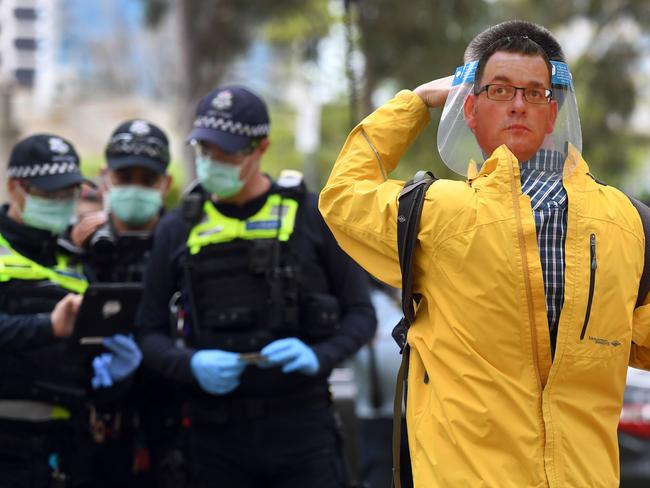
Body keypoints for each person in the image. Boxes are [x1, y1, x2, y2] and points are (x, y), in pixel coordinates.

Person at [319, 20, 650, 488]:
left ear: (552, 113)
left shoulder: (628, 223)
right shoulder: (437, 214)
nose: (518, 104)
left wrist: (414, 102)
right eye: (500, 90)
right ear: (470, 110)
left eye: (534, 93)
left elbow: (344, 193)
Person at [136, 85, 376, 488]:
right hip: (214, 437)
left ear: (260, 148)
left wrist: (320, 356)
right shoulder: (177, 228)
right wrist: (190, 365)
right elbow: (148, 331)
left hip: (303, 431)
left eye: (227, 152)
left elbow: (361, 314)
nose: (213, 162)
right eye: (205, 150)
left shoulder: (310, 216)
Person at [0, 133, 142, 486]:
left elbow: (86, 361)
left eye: (70, 193)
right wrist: (47, 325)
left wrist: (115, 374)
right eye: (51, 193)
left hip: (63, 447)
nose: (63, 202)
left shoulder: (77, 261)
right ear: (14, 188)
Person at [67, 120, 182, 487]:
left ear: (165, 184)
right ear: (104, 179)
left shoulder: (185, 243)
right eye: (123, 176)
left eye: (146, 179)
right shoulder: (79, 245)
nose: (134, 187)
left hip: (171, 420)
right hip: (99, 429)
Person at [351, 279, 412, 488]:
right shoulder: (365, 302)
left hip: (414, 415)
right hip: (377, 419)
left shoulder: (406, 296)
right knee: (381, 476)